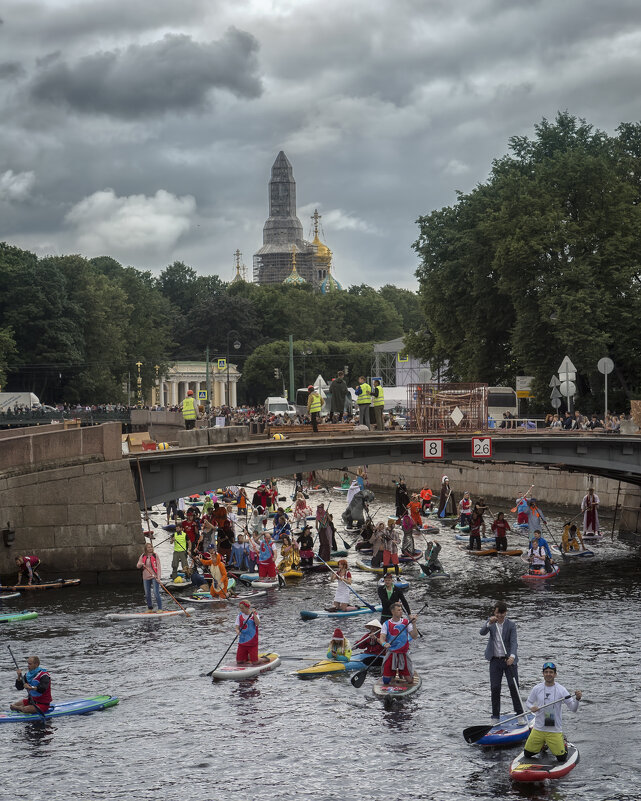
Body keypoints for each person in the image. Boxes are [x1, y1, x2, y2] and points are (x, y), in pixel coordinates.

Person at [523, 662, 582, 762]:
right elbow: (528, 703)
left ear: (555, 674)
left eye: (551, 672)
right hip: (539, 728)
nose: (548, 674)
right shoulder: (537, 688)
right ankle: (543, 745)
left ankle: (563, 742)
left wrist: (577, 699)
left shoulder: (561, 690)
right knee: (528, 754)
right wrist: (531, 707)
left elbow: (573, 709)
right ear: (543, 674)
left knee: (561, 758)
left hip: (554, 729)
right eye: (546, 672)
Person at [480, 602, 525, 723]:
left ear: (505, 613)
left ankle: (520, 714)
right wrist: (489, 622)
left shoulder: (511, 625)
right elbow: (482, 632)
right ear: (494, 613)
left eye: (502, 613)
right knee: (495, 688)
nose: (500, 615)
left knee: (513, 687)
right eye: (497, 613)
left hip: (508, 660)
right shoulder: (491, 623)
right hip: (495, 660)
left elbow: (514, 642)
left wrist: (512, 656)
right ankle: (495, 717)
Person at [378, 602, 418, 685]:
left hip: (403, 654)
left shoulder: (406, 622)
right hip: (391, 653)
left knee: (410, 680)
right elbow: (382, 638)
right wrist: (384, 644)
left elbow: (414, 636)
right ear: (393, 612)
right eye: (398, 610)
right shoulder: (386, 624)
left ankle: (402, 673)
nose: (401, 612)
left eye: (401, 610)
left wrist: (414, 624)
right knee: (386, 681)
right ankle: (393, 675)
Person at [136, 543, 163, 610]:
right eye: (148, 547)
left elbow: (159, 567)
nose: (150, 548)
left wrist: (158, 578)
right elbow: (138, 566)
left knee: (156, 593)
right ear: (146, 549)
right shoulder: (143, 556)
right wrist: (141, 564)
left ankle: (160, 609)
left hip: (154, 577)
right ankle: (150, 608)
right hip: (145, 577)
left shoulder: (155, 555)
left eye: (151, 547)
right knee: (147, 594)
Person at [235, 601, 261, 665]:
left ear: (247, 608)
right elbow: (236, 627)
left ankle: (263, 659)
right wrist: (237, 631)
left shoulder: (254, 615)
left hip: (252, 642)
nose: (241, 610)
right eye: (240, 608)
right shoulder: (239, 615)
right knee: (239, 662)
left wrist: (254, 614)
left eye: (242, 608)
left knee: (255, 662)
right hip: (242, 642)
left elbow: (257, 623)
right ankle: (248, 657)